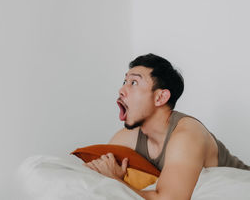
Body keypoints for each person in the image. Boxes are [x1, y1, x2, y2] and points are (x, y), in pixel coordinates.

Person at [84, 53, 250, 200]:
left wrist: (116, 181)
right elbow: (99, 171)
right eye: (124, 81)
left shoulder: (187, 135)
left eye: (134, 82)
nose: (121, 89)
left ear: (160, 97)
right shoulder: (125, 138)